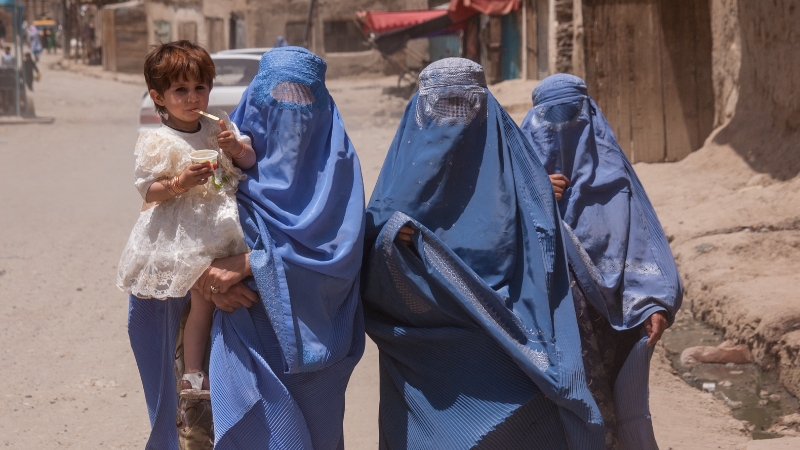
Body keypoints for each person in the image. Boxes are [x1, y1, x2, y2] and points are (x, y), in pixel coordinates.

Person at [128, 46, 367, 450]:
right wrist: (204, 275)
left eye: (304, 101)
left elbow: (342, 255)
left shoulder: (336, 168)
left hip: (314, 341)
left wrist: (254, 262)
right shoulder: (223, 147)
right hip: (236, 327)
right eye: (276, 100)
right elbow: (175, 220)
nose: (290, 116)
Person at [362, 58, 605, 449]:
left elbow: (541, 263)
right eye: (442, 104)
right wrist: (393, 238)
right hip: (426, 357)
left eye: (465, 103)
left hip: (509, 354)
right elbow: (370, 259)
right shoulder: (404, 179)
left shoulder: (520, 174)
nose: (454, 117)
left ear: (485, 103)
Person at [521, 73, 683, 449]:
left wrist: (656, 301)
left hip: (614, 324)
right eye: (550, 118)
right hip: (552, 329)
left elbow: (645, 244)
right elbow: (504, 247)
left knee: (613, 418)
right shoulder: (521, 186)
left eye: (570, 115)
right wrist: (535, 194)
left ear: (589, 117)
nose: (560, 129)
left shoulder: (616, 183)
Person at [118, 40, 256, 447]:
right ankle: (192, 380)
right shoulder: (157, 140)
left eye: (200, 88)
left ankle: (205, 384)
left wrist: (235, 148)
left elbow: (247, 160)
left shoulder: (218, 127)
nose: (193, 98)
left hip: (219, 232)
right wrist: (179, 183)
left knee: (209, 302)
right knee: (197, 303)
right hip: (179, 237)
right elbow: (148, 189)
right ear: (159, 97)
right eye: (181, 90)